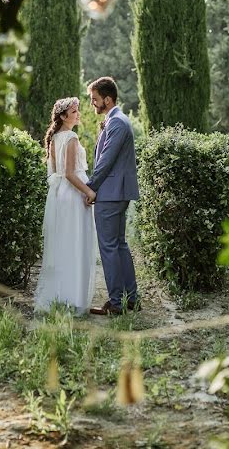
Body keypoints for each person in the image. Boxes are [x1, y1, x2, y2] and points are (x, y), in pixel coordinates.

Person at [33, 97, 97, 314]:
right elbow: (69, 173)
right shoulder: (70, 138)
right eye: (74, 111)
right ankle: (73, 298)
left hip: (60, 195)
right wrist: (89, 191)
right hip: (73, 196)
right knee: (76, 245)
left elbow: (56, 173)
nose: (78, 114)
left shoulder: (54, 139)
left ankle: (60, 295)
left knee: (62, 246)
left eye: (78, 110)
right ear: (63, 116)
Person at [85, 77, 141, 315]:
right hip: (116, 193)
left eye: (95, 100)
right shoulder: (117, 121)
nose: (93, 105)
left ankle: (117, 303)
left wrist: (90, 187)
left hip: (110, 195)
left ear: (108, 99)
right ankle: (131, 299)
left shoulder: (117, 122)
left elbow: (105, 162)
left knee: (109, 248)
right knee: (119, 246)